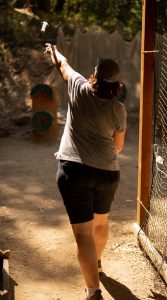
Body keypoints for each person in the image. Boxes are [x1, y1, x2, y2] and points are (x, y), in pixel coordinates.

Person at [45, 43, 126, 300]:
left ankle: (92, 291)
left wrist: (53, 50)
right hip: (107, 173)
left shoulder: (78, 87)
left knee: (82, 233)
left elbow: (63, 64)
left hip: (74, 171)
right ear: (116, 85)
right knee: (100, 223)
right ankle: (96, 264)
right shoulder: (118, 109)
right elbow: (118, 145)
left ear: (95, 76)